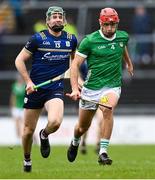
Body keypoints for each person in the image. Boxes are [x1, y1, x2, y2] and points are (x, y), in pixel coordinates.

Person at [66, 7, 133, 165]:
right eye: (107, 25)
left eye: (113, 25)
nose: (110, 28)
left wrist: (129, 63)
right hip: (91, 88)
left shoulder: (123, 36)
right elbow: (75, 65)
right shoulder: (89, 41)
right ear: (100, 23)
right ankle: (75, 141)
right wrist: (75, 88)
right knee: (82, 127)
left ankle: (103, 152)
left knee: (108, 108)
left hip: (112, 85)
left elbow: (122, 47)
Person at [15, 6, 77, 172]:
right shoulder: (37, 38)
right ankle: (27, 160)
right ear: (48, 20)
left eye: (60, 16)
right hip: (35, 88)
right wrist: (27, 81)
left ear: (63, 20)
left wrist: (76, 86)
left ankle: (44, 134)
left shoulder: (71, 39)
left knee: (55, 122)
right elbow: (19, 60)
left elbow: (75, 65)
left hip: (54, 88)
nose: (57, 19)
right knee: (28, 131)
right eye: (54, 17)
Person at [10, 74, 25, 143]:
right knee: (17, 124)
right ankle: (18, 139)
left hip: (23, 108)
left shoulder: (25, 85)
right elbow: (13, 97)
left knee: (25, 124)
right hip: (16, 107)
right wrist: (12, 107)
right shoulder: (14, 86)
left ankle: (28, 138)